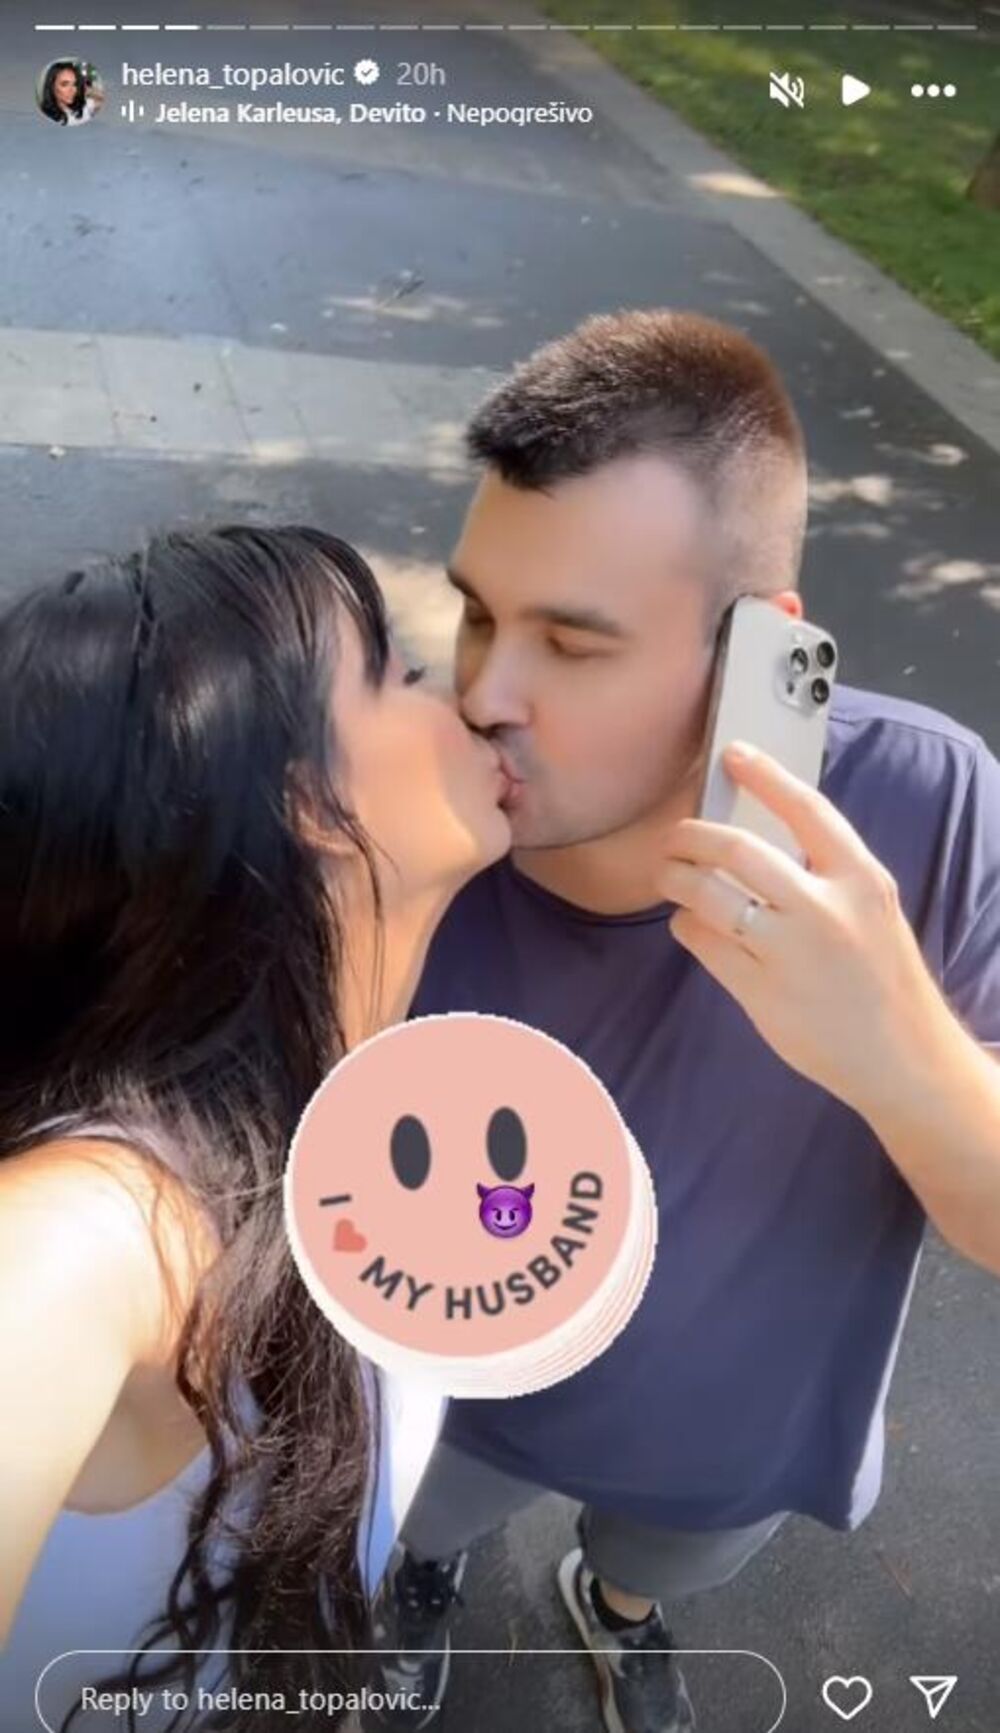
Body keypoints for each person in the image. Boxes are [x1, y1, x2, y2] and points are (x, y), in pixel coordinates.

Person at [365, 311, 1000, 1733]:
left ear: (761, 649)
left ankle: (618, 1604)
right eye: (479, 615)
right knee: (417, 1523)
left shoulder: (926, 809)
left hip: (727, 1441)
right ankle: (418, 1581)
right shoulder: (411, 816)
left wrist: (896, 1048)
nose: (485, 695)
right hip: (444, 1402)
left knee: (659, 1564)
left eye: (571, 644)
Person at [0, 525, 511, 1733]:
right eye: (398, 670)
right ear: (310, 800)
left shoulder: (351, 1096)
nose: (477, 695)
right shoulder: (105, 1225)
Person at [39, 60, 104, 127]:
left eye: (75, 84)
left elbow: (103, 100)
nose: (72, 90)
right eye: (64, 84)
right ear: (52, 87)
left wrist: (85, 90)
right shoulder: (46, 117)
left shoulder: (84, 105)